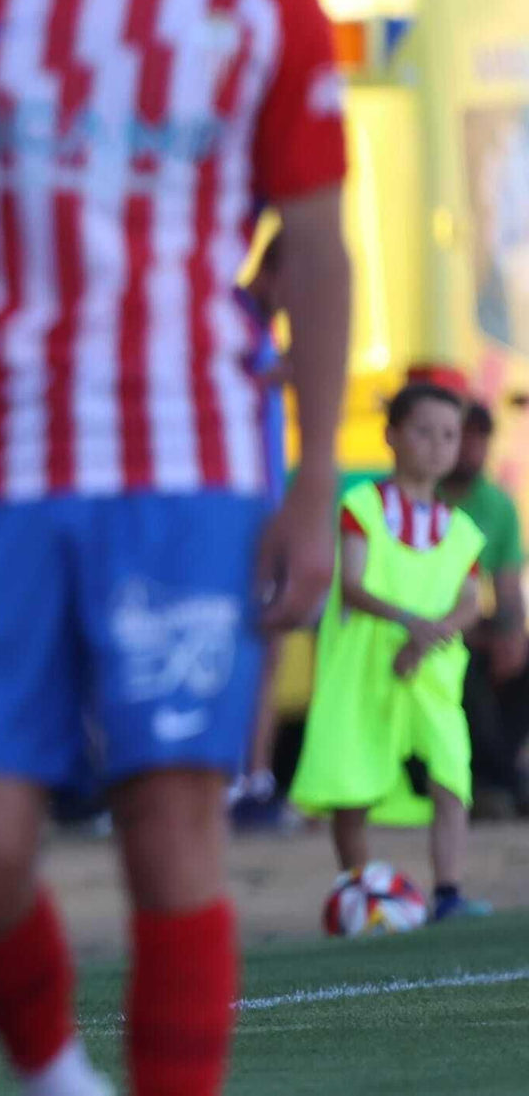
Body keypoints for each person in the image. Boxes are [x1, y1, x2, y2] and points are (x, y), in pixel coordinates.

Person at [0, 0, 351, 1093]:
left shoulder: (263, 0)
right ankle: (58, 1076)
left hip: (190, 461)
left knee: (169, 823)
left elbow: (316, 245)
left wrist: (313, 476)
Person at [290, 384, 490, 920]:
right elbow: (352, 586)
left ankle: (448, 891)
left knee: (451, 775)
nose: (437, 446)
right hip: (363, 671)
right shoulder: (363, 508)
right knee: (352, 786)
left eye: (449, 435)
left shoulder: (461, 531)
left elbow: (471, 603)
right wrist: (414, 626)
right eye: (423, 432)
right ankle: (360, 891)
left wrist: (426, 637)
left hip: (431, 676)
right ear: (391, 436)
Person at [230, 232, 292, 824]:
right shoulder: (231, 317)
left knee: (269, 645)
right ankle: (229, 777)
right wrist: (288, 372)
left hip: (266, 511)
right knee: (238, 643)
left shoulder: (265, 328)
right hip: (232, 510)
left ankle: (256, 777)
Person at [441, 402, 529, 816]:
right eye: (462, 437)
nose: (471, 449)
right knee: (466, 674)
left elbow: (508, 590)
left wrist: (512, 636)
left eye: (480, 439)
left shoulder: (498, 504)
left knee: (516, 663)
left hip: (472, 625)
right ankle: (500, 783)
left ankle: (497, 782)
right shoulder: (422, 500)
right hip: (429, 630)